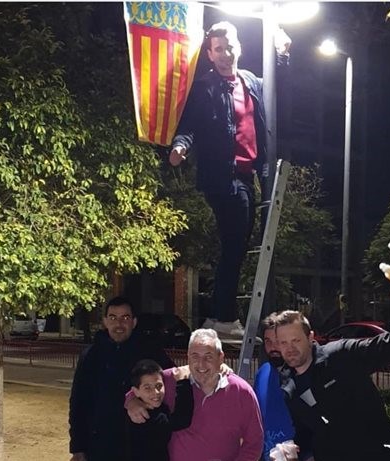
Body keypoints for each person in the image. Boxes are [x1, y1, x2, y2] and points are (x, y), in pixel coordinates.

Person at [169, 21, 291, 339]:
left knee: (247, 243)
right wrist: (181, 145)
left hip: (254, 172)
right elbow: (190, 124)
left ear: (239, 48)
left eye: (229, 47)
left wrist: (282, 54)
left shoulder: (251, 82)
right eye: (218, 49)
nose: (225, 54)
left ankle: (229, 316)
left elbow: (278, 88)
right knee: (236, 242)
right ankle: (221, 316)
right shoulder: (205, 87)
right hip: (222, 177)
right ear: (210, 54)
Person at [273, 278, 390, 461]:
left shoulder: (341, 355)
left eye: (296, 340)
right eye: (284, 343)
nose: (290, 348)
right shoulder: (287, 383)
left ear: (310, 337)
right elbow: (307, 431)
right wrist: (291, 449)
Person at [127, 328, 264, 461]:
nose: (201, 364)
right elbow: (137, 389)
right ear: (188, 357)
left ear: (220, 357)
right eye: (195, 356)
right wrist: (132, 401)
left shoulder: (242, 392)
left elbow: (254, 443)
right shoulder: (170, 380)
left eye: (208, 357)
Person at [68, 296, 175, 461]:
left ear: (134, 322)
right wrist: (78, 447)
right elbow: (78, 403)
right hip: (101, 447)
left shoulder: (150, 351)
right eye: (113, 318)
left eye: (125, 318)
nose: (119, 324)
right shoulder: (90, 356)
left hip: (142, 446)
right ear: (105, 321)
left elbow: (174, 382)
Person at [128, 359, 194, 461]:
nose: (155, 392)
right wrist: (183, 382)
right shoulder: (149, 417)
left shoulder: (135, 409)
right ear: (136, 392)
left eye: (159, 386)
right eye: (147, 388)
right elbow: (182, 420)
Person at [253, 313, 297, 461]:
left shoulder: (301, 373)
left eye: (277, 341)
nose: (273, 347)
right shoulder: (262, 373)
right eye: (268, 341)